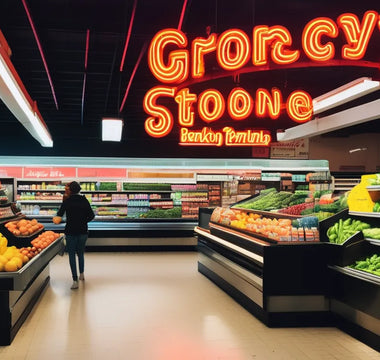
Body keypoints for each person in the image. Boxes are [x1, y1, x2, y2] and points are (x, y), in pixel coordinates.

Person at [53, 181, 95, 290]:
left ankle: (75, 280)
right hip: (83, 231)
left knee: (71, 255)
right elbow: (91, 215)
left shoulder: (67, 201)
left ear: (70, 190)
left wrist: (56, 219)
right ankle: (82, 274)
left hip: (71, 231)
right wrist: (82, 221)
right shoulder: (84, 200)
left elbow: (59, 215)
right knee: (80, 253)